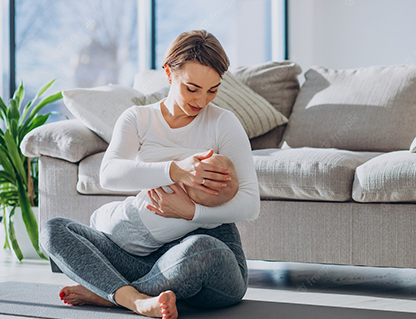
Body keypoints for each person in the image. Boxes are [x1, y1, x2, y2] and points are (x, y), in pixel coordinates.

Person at [40, 29, 260, 319]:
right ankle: (137, 299)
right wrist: (176, 171)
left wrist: (190, 211)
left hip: (208, 263)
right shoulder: (139, 118)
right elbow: (109, 174)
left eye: (213, 90)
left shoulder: (223, 123)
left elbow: (250, 204)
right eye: (192, 88)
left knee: (202, 248)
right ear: (169, 73)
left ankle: (112, 294)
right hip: (145, 256)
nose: (202, 101)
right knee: (53, 229)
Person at [90, 152, 239, 256]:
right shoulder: (207, 220)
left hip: (125, 217)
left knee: (96, 218)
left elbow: (150, 172)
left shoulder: (171, 184)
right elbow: (219, 219)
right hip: (142, 248)